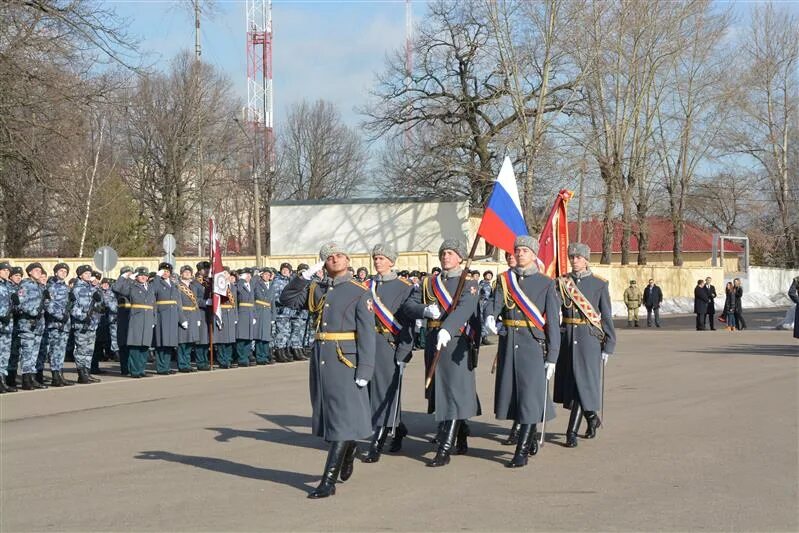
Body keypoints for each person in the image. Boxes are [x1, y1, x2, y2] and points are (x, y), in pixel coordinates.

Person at [279, 242, 376, 499]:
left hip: (346, 360)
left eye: (339, 255)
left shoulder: (359, 291)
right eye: (329, 257)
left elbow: (367, 333)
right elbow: (287, 299)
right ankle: (350, 444)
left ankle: (327, 481)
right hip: (322, 358)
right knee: (332, 416)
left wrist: (366, 368)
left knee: (342, 418)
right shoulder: (317, 288)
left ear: (348, 260)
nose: (334, 259)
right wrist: (304, 277)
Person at [484, 236, 560, 467]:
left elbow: (553, 324)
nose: (519, 254)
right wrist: (489, 316)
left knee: (528, 396)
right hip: (509, 344)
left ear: (534, 254)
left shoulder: (546, 283)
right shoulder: (505, 280)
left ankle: (522, 449)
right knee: (515, 396)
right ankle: (528, 435)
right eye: (517, 250)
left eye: (524, 250)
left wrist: (553, 356)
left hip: (532, 346)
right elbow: (494, 305)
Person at [405, 239, 481, 467]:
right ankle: (462, 428)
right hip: (432, 341)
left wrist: (448, 328)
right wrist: (424, 310)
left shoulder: (469, 283)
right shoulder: (429, 283)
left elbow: (466, 308)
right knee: (441, 390)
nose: (445, 257)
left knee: (454, 392)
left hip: (455, 342)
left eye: (450, 253)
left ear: (460, 257)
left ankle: (444, 448)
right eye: (443, 253)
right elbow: (409, 305)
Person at [554, 243, 616, 448]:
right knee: (572, 385)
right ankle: (591, 418)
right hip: (567, 337)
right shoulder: (563, 282)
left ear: (587, 260)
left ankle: (570, 432)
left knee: (583, 384)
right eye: (572, 257)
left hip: (589, 339)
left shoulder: (599, 284)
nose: (574, 260)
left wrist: (609, 345)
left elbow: (606, 317)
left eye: (578, 257)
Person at [360, 243, 416, 464]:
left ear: (392, 262)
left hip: (388, 344)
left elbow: (408, 323)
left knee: (385, 392)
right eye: (375, 258)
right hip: (367, 343)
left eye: (382, 258)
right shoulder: (366, 285)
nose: (377, 261)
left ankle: (377, 442)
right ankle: (398, 427)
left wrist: (404, 352)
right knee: (369, 392)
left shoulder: (404, 287)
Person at [112, 267, 156, 378]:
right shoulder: (132, 286)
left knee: (144, 347)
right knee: (135, 347)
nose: (144, 277)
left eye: (145, 275)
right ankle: (135, 371)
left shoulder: (150, 288)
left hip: (148, 319)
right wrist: (125, 278)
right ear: (136, 276)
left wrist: (154, 320)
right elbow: (117, 288)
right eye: (141, 275)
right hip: (136, 319)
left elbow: (153, 305)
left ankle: (141, 370)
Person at [70, 264, 106, 384]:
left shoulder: (92, 288)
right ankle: (81, 374)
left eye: (90, 273)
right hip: (82, 324)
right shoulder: (77, 289)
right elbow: (73, 307)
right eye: (86, 273)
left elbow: (98, 305)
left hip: (92, 324)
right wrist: (82, 317)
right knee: (81, 349)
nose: (89, 275)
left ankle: (87, 372)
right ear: (80, 275)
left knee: (89, 350)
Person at [16, 262, 48, 389]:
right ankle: (25, 379)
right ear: (29, 272)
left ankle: (32, 378)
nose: (38, 273)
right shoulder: (25, 285)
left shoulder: (40, 286)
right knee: (27, 353)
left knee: (34, 353)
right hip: (27, 324)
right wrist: (33, 312)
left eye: (40, 271)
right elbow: (20, 303)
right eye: (35, 270)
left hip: (39, 325)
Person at [44, 263, 73, 386]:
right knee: (54, 349)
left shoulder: (66, 288)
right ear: (56, 272)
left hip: (65, 324)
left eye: (65, 271)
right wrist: (60, 316)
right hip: (55, 323)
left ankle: (60, 374)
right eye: (61, 271)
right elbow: (48, 304)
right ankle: (55, 375)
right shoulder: (51, 287)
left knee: (61, 350)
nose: (63, 273)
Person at [153, 263, 183, 375]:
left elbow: (177, 301)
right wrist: (156, 277)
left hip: (173, 315)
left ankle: (166, 366)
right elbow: (153, 291)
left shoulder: (174, 284)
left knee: (169, 342)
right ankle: (161, 367)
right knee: (161, 342)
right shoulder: (156, 282)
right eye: (163, 271)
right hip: (162, 314)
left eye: (167, 271)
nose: (165, 273)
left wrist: (181, 317)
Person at [176, 266, 200, 373]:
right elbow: (178, 304)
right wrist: (182, 319)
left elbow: (196, 303)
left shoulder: (193, 287)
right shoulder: (177, 286)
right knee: (182, 343)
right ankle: (182, 365)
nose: (187, 274)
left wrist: (198, 317)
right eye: (185, 272)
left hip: (193, 315)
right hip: (184, 315)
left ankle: (187, 363)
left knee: (190, 342)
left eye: (189, 272)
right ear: (181, 274)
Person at [271, 263, 294, 363]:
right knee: (280, 332)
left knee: (286, 332)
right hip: (280, 310)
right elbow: (275, 297)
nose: (285, 271)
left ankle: (284, 350)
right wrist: (285, 301)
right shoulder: (277, 281)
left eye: (287, 270)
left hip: (289, 311)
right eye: (283, 269)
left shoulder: (291, 281)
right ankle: (279, 352)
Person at [234, 267, 256, 367]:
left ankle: (246, 357)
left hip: (250, 312)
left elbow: (253, 301)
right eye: (246, 275)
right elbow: (237, 292)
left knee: (248, 338)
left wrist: (254, 315)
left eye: (249, 275)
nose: (248, 277)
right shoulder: (239, 284)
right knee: (241, 337)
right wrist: (241, 280)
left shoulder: (251, 285)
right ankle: (241, 358)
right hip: (242, 312)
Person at [0, 261, 16, 393]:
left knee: (4, 355)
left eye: (8, 271)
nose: (7, 272)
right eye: (4, 270)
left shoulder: (9, 286)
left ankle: (2, 381)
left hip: (7, 326)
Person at [478, 271, 494, 345]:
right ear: (484, 276)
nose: (489, 276)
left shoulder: (489, 285)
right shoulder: (482, 284)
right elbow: (478, 294)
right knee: (482, 321)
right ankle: (482, 338)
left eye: (490, 275)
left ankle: (484, 337)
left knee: (485, 320)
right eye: (488, 275)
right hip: (482, 304)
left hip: (487, 304)